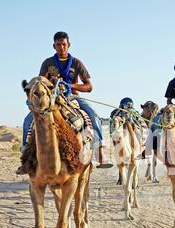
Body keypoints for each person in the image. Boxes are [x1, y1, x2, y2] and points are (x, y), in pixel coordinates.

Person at [18, 31, 113, 174]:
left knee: (93, 116)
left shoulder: (76, 63)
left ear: (68, 45)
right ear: (53, 46)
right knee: (28, 120)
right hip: (52, 98)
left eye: (64, 44)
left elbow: (89, 87)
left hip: (72, 97)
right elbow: (41, 82)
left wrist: (71, 86)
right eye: (58, 45)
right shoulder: (48, 63)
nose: (61, 47)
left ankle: (100, 153)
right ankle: (25, 158)